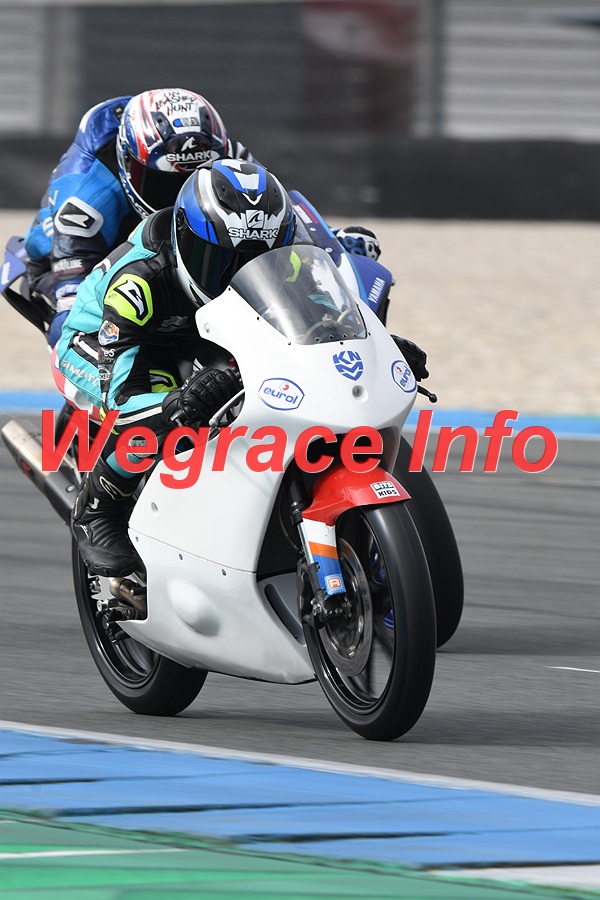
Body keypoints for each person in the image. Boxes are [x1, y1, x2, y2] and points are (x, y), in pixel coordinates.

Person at [57, 158, 296, 577]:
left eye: (255, 259)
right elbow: (122, 400)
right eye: (220, 260)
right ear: (185, 239)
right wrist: (178, 400)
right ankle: (97, 508)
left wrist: (376, 344)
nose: (234, 275)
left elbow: (318, 307)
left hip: (191, 334)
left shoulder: (288, 258)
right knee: (171, 407)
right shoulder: (140, 280)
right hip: (98, 342)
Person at [24, 88, 256, 347]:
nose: (183, 198)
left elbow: (276, 211)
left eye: (194, 179)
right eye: (165, 184)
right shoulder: (87, 194)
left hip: (169, 257)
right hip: (70, 258)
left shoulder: (228, 155)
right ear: (127, 161)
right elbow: (71, 319)